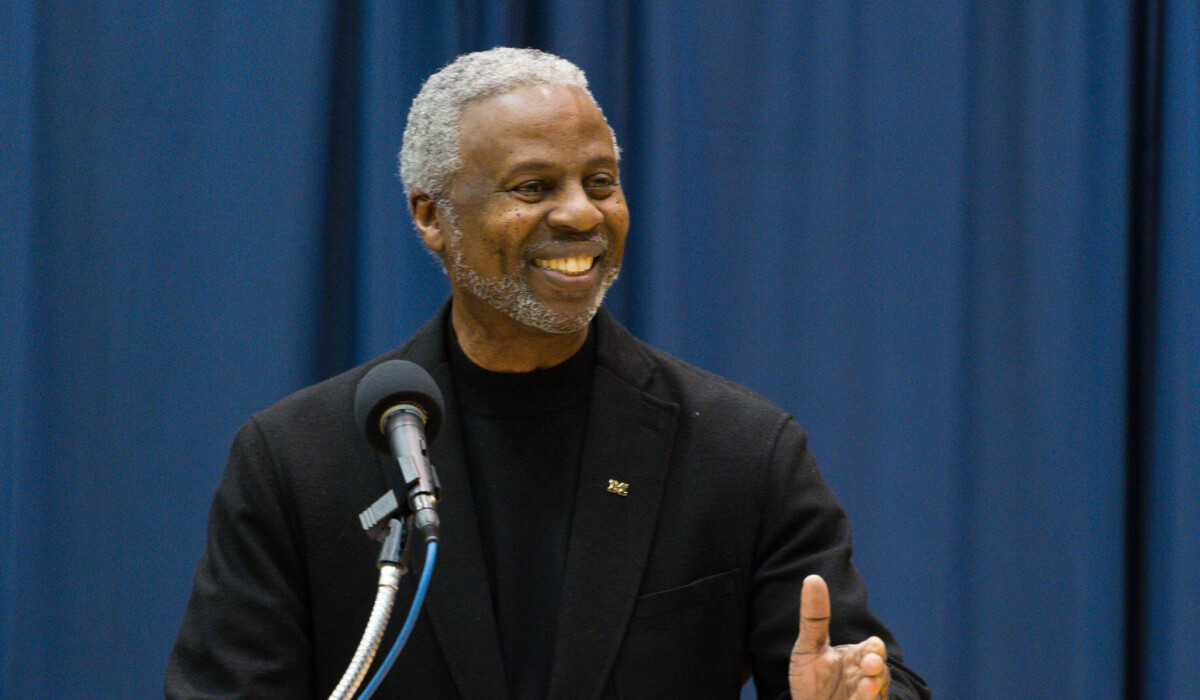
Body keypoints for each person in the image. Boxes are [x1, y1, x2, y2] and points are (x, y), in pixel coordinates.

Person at [166, 47, 929, 699]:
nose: (582, 216)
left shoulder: (741, 451)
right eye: (534, 188)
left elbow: (856, 671)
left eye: (600, 183)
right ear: (431, 215)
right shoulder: (299, 460)